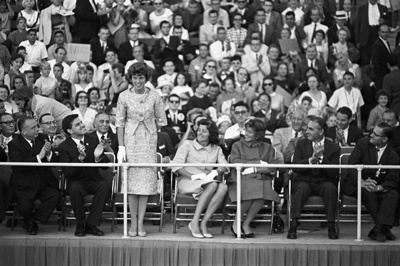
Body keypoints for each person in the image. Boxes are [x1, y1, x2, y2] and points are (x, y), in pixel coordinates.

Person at [116, 63, 167, 237]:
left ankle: (140, 223)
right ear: (130, 78)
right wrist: (121, 146)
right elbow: (119, 123)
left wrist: (153, 135)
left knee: (145, 182)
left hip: (148, 142)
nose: (138, 81)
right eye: (135, 77)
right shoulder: (123, 96)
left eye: (141, 78)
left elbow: (161, 120)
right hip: (130, 141)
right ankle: (132, 222)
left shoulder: (154, 96)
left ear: (146, 79)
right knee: (131, 182)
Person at [342, 123, 399, 242]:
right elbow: (352, 165)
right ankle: (383, 228)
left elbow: (392, 181)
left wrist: (378, 187)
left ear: (384, 139)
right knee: (368, 193)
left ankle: (378, 229)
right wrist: (362, 182)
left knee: (393, 194)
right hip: (355, 183)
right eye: (372, 131)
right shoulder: (363, 143)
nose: (371, 135)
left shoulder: (393, 157)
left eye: (375, 134)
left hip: (377, 186)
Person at [172, 118, 228, 238]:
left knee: (223, 187)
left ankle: (203, 223)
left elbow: (225, 166)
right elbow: (176, 166)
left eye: (204, 131)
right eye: (198, 130)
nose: (199, 133)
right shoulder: (188, 144)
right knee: (213, 185)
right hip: (188, 181)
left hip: (207, 181)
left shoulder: (216, 148)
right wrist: (192, 176)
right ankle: (195, 221)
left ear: (210, 134)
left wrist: (216, 171)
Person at [287, 116, 340, 240]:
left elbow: (334, 172)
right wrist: (310, 161)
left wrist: (321, 158)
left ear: (321, 131)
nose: (307, 131)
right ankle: (293, 225)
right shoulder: (301, 143)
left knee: (330, 188)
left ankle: (331, 226)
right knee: (301, 188)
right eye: (307, 128)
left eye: (311, 129)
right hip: (305, 179)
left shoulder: (333, 147)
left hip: (324, 180)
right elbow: (295, 167)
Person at [58, 114, 111, 237]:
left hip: (94, 179)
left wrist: (98, 158)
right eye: (77, 124)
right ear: (69, 131)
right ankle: (80, 224)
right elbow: (68, 172)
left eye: (81, 122)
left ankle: (91, 225)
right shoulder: (64, 147)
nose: (82, 125)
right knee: (75, 189)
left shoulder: (92, 140)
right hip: (77, 181)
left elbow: (105, 166)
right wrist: (80, 158)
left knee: (105, 186)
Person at [8, 116, 61, 235]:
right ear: (24, 131)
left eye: (37, 126)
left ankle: (31, 221)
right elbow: (18, 166)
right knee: (25, 207)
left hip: (43, 182)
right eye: (33, 128)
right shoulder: (14, 144)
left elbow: (55, 162)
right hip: (24, 184)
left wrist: (49, 154)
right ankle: (30, 222)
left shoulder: (43, 138)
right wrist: (39, 157)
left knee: (55, 196)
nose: (38, 129)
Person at [228, 119, 280, 238]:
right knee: (255, 189)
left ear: (258, 135)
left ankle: (246, 223)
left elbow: (273, 167)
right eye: (246, 130)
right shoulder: (237, 145)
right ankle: (236, 223)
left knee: (263, 189)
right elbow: (235, 161)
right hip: (241, 178)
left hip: (261, 178)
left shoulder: (267, 147)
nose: (246, 133)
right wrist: (258, 163)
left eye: (250, 132)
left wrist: (256, 169)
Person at [354, 0, 391, 66]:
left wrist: (384, 21)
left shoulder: (383, 8)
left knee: (379, 58)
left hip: (378, 35)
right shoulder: (362, 8)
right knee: (365, 60)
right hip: (365, 37)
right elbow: (357, 25)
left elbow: (389, 22)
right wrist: (357, 41)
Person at [371, 24, 392, 90]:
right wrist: (380, 77)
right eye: (383, 32)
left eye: (387, 32)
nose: (385, 34)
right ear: (379, 33)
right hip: (381, 76)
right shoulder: (377, 44)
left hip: (385, 74)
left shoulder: (386, 42)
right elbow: (375, 62)